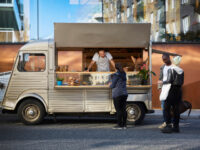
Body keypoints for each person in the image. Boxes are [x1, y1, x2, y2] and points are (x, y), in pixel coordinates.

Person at [161, 56, 184, 133]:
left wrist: (162, 82)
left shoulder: (171, 69)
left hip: (171, 90)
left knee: (166, 108)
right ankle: (176, 127)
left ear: (173, 62)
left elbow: (169, 80)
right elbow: (181, 82)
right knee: (176, 109)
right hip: (179, 91)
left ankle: (168, 125)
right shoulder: (181, 70)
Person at [109, 63, 128, 129]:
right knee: (123, 109)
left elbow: (112, 85)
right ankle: (124, 125)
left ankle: (120, 125)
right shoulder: (124, 74)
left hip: (117, 94)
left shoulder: (116, 75)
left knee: (119, 110)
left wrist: (109, 84)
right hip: (124, 93)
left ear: (115, 68)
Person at [158, 53, 172, 129]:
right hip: (164, 89)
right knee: (164, 107)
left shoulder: (174, 67)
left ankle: (172, 122)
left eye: (165, 59)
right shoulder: (162, 67)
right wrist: (159, 89)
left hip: (172, 90)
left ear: (169, 58)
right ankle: (165, 122)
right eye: (163, 59)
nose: (164, 61)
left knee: (172, 107)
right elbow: (160, 78)